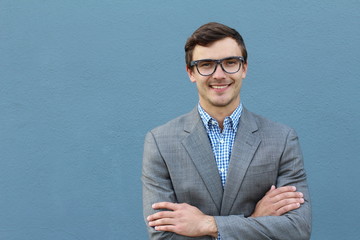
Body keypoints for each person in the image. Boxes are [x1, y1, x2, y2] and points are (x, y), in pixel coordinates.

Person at [142, 22, 311, 240]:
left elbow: (297, 229)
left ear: (244, 68)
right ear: (190, 72)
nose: (219, 74)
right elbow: (163, 237)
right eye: (206, 64)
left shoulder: (282, 139)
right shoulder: (160, 142)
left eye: (230, 63)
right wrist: (254, 219)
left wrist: (207, 224)